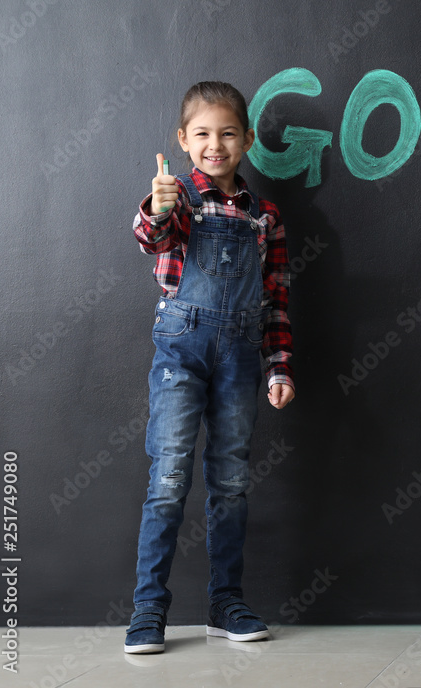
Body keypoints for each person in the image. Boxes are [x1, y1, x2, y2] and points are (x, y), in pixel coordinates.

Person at [125, 81, 294, 654]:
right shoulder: (178, 201)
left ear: (247, 139)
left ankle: (226, 602)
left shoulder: (266, 215)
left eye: (227, 133)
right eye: (202, 134)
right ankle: (148, 608)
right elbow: (151, 238)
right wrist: (158, 205)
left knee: (231, 481)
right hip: (179, 356)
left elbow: (276, 299)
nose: (215, 144)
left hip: (242, 359)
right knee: (169, 479)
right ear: (182, 140)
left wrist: (279, 367)